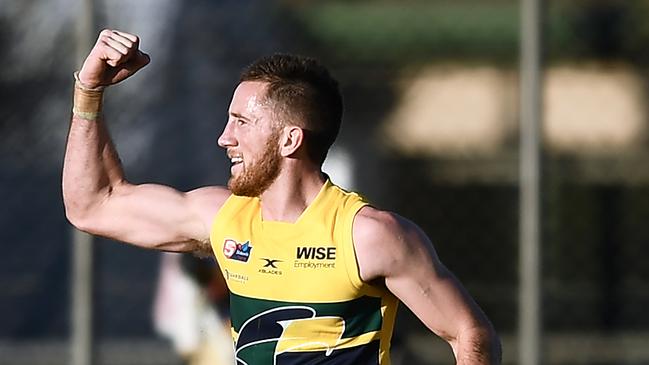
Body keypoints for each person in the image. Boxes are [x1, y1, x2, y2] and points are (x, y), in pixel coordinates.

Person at [63, 29, 501, 364]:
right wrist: (88, 91)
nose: (224, 138)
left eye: (241, 122)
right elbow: (93, 205)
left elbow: (470, 334)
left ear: (290, 139)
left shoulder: (368, 236)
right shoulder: (222, 217)